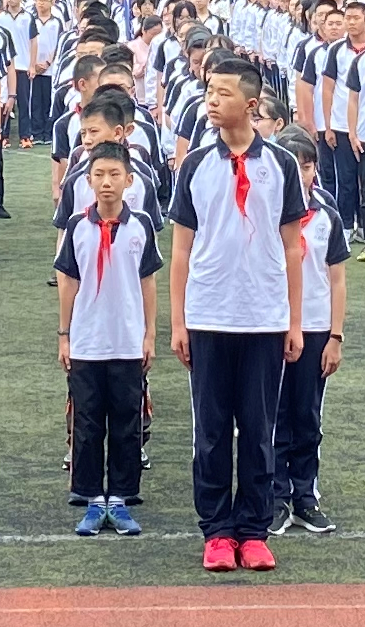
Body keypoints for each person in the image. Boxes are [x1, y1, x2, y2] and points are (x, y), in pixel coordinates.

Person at [163, 55, 307, 575]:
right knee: (212, 429)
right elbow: (181, 249)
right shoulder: (195, 165)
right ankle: (217, 530)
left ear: (250, 104)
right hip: (209, 316)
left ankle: (254, 529)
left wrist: (293, 321)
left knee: (259, 426)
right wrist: (179, 321)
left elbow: (293, 248)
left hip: (264, 318)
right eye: (208, 90)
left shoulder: (282, 165)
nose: (210, 99)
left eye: (221, 92)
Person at [55, 136, 157, 536]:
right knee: (87, 422)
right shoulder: (78, 226)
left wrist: (149, 334)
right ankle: (91, 499)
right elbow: (68, 283)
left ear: (129, 180)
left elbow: (148, 282)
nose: (106, 183)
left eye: (114, 174)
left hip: (128, 340)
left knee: (127, 422)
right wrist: (65, 335)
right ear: (89, 180)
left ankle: (121, 497)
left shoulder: (142, 225)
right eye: (99, 175)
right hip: (87, 341)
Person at [272, 131, 353, 538]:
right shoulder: (265, 209)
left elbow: (337, 279)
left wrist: (335, 336)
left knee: (306, 414)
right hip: (271, 326)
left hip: (316, 327)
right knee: (273, 415)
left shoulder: (326, 216)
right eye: (292, 164)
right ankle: (275, 495)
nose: (300, 173)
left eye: (306, 166)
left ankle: (305, 495)